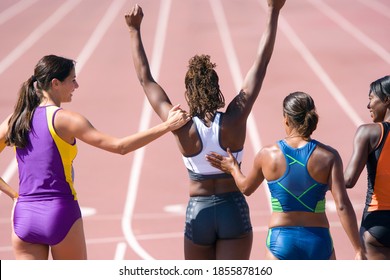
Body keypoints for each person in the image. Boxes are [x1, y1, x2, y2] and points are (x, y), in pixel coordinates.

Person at [125, 0, 285, 259]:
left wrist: (134, 31)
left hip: (198, 213)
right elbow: (261, 62)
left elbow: (146, 79)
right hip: (232, 209)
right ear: (216, 86)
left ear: (189, 91)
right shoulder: (235, 117)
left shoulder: (180, 124)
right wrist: (273, 11)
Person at [0, 54, 189, 260]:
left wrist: (14, 195)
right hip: (59, 212)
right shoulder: (66, 120)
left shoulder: (15, 119)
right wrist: (167, 125)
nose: (77, 85)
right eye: (72, 80)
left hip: (25, 216)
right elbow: (120, 146)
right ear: (55, 83)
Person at [206, 91, 366, 260]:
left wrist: (233, 168)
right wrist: (358, 249)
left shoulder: (268, 154)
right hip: (318, 241)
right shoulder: (329, 156)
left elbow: (246, 188)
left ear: (286, 119)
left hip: (281, 241)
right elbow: (342, 205)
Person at [344, 75, 390, 260]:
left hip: (377, 223)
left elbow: (348, 180)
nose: (368, 105)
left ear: (387, 100)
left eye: (371, 98)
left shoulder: (369, 132)